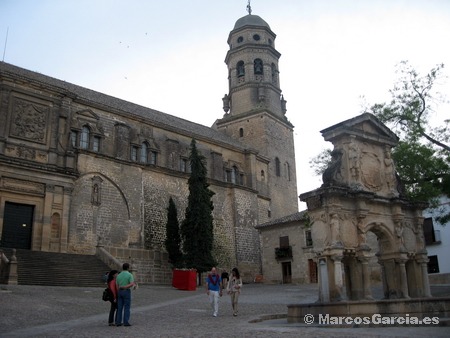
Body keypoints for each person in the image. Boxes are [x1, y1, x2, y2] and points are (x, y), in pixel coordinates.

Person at [115, 263, 136, 327]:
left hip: (120, 292)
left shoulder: (119, 275)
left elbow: (117, 285)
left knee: (119, 307)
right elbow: (132, 283)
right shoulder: (129, 274)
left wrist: (119, 290)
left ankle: (118, 322)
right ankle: (126, 322)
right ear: (128, 268)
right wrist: (125, 287)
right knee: (127, 307)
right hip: (126, 291)